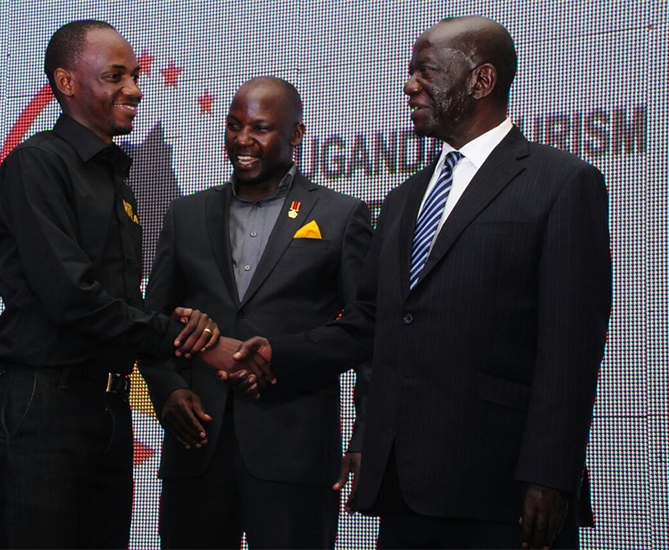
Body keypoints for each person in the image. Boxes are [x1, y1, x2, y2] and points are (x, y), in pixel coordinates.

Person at [226, 16, 612, 549]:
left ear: (481, 80)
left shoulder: (562, 182)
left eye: (425, 72)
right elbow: (369, 322)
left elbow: (570, 348)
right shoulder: (406, 197)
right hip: (405, 488)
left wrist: (550, 472)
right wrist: (280, 353)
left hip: (503, 490)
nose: (409, 86)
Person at [0, 20, 220, 549]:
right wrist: (186, 338)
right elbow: (72, 297)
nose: (134, 89)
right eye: (115, 76)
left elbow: (125, 302)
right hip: (42, 404)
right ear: (66, 83)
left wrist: (172, 349)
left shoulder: (118, 181)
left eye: (135, 76)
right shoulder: (38, 166)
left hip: (106, 408)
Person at [138, 76, 373, 549]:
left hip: (297, 454)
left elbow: (366, 332)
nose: (243, 140)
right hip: (197, 448)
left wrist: (366, 434)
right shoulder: (185, 215)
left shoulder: (341, 215)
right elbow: (151, 324)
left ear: (296, 134)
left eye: (260, 129)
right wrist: (169, 391)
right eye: (234, 125)